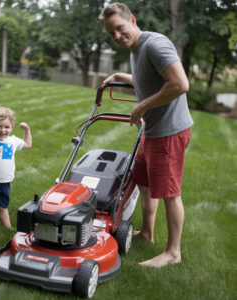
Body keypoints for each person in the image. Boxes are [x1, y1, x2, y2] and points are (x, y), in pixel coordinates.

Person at [98, 3, 193, 267]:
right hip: (152, 130)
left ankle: (173, 252)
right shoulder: (135, 49)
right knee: (143, 179)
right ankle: (147, 234)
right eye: (111, 33)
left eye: (120, 28)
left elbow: (180, 84)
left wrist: (141, 106)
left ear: (132, 20)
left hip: (168, 131)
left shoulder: (154, 44)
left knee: (170, 192)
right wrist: (120, 76)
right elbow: (147, 78)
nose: (117, 35)